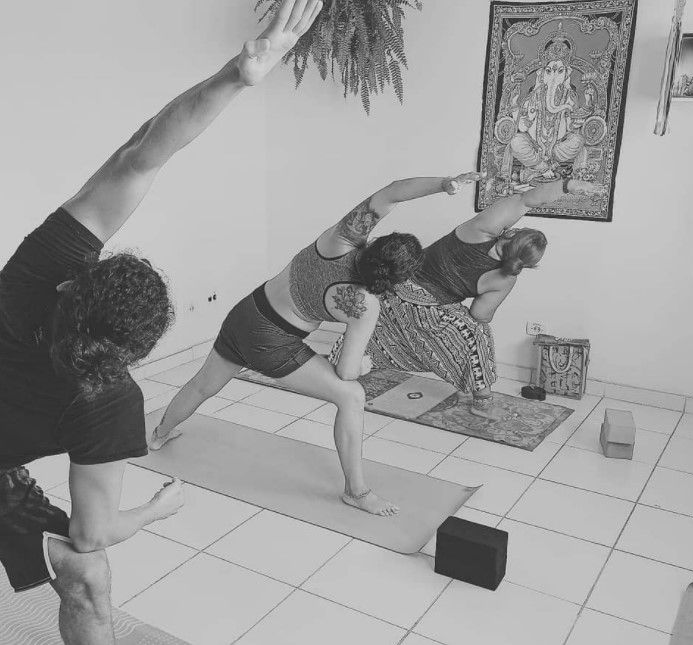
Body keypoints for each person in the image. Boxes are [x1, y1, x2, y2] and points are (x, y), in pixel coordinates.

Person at [0, 2, 323, 643]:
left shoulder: (40, 274)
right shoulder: (110, 400)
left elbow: (138, 158)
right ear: (133, 352)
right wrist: (154, 510)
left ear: (71, 284)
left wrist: (235, 77)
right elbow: (93, 534)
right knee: (87, 576)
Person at [149, 181, 425, 516]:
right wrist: (364, 366)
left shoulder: (340, 239)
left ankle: (160, 434)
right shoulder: (365, 305)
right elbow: (346, 372)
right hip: (272, 342)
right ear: (399, 280)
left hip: (246, 312)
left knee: (203, 385)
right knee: (352, 395)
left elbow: (393, 191)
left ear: (376, 242)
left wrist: (444, 184)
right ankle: (357, 492)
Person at [329, 174, 603, 419]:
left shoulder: (482, 229)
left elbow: (527, 199)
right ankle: (482, 400)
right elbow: (480, 315)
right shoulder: (505, 279)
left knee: (379, 320)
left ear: (512, 232)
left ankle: (346, 360)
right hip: (426, 312)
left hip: (390, 290)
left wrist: (568, 185)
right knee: (476, 333)